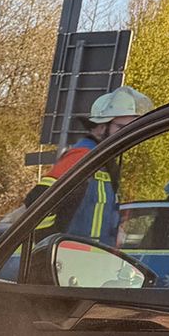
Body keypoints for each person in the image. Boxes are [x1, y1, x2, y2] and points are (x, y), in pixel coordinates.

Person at [30, 85, 154, 248]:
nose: (129, 135)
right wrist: (49, 244)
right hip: (71, 261)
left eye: (133, 129)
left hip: (94, 261)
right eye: (121, 128)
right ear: (100, 128)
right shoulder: (81, 157)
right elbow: (37, 200)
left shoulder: (106, 163)